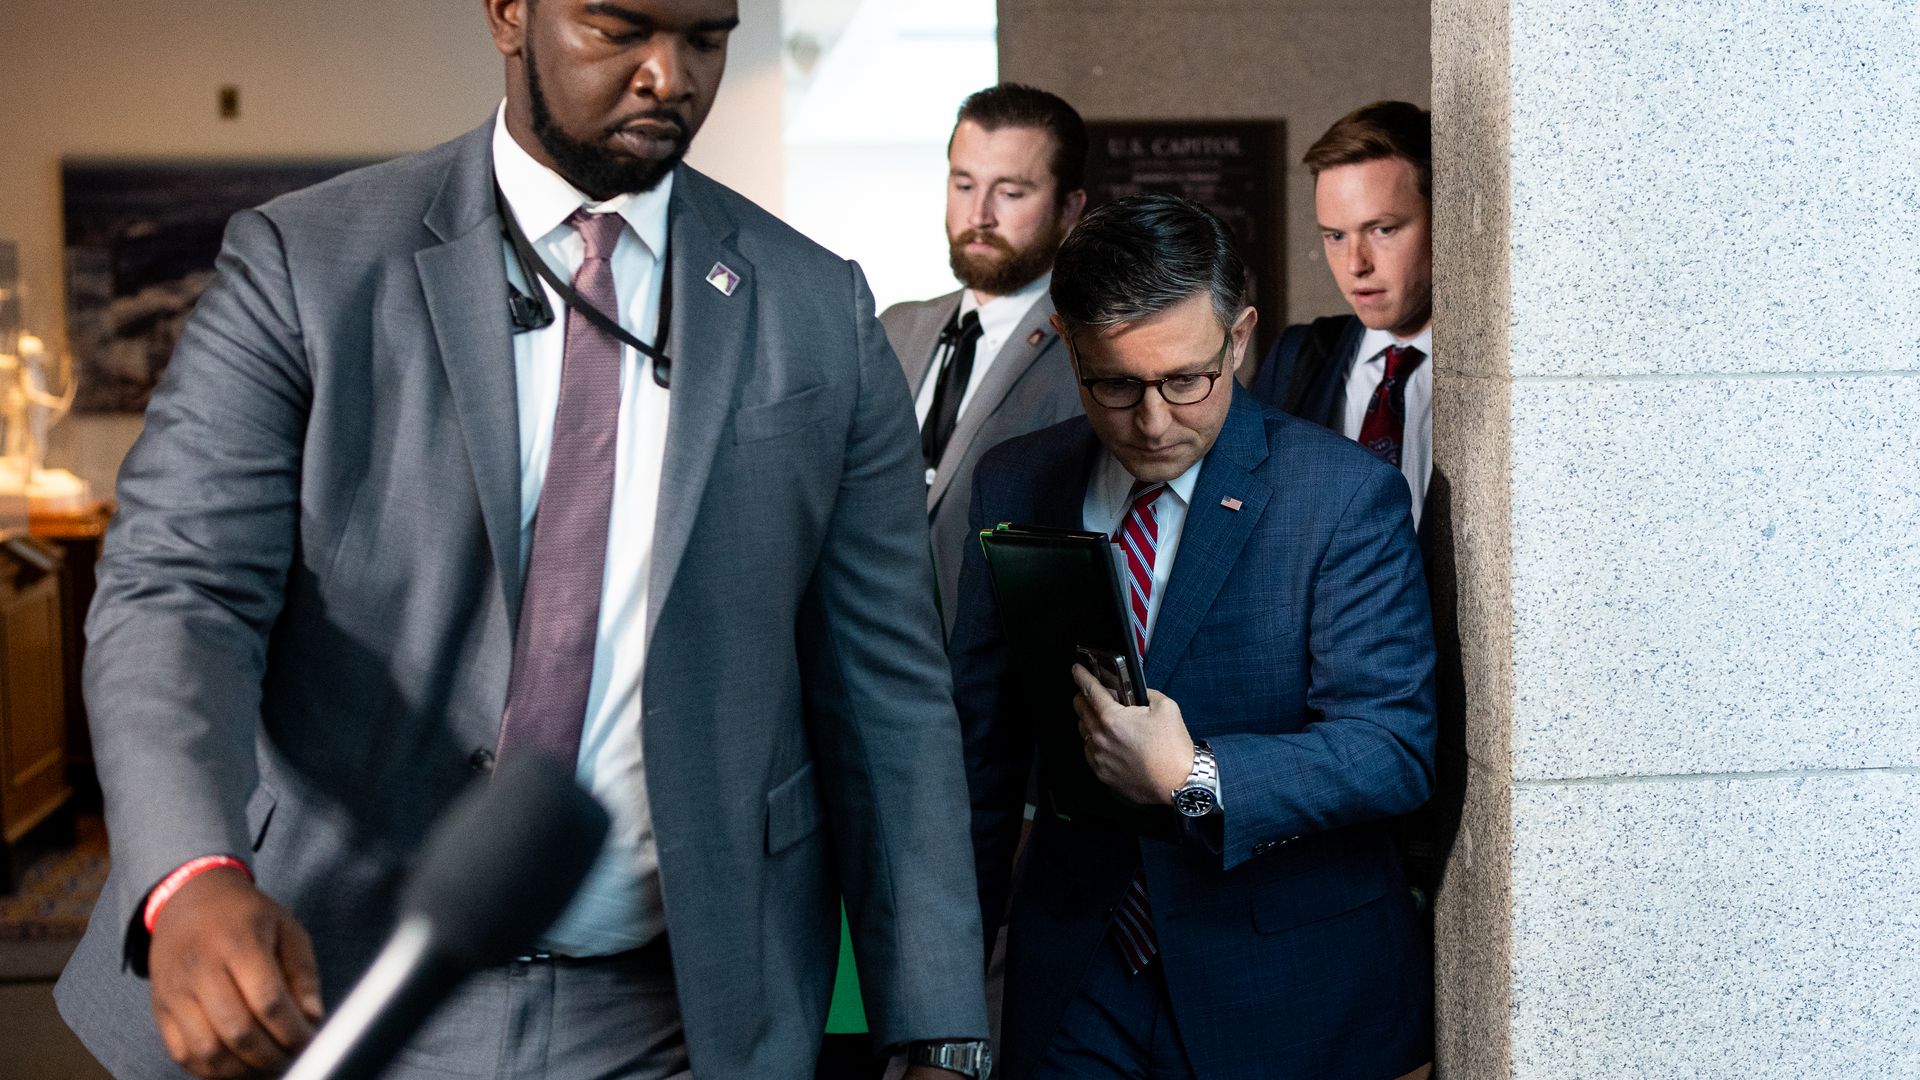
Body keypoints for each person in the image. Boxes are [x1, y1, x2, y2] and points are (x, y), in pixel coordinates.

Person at [54, 2, 990, 1078]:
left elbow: (890, 697)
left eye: (705, 37)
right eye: (618, 27)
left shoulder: (818, 308)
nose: (666, 74)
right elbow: (179, 595)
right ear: (508, 13)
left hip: (676, 1006)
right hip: (329, 975)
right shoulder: (301, 267)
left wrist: (939, 1024)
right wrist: (190, 874)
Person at [951, 193, 1436, 1079]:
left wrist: (1192, 775)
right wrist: (941, 1019)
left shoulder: (1339, 497)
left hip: (1288, 990)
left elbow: (1393, 747)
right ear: (1067, 343)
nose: (1153, 420)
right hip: (1074, 986)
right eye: (1115, 384)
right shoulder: (1016, 484)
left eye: (1185, 380)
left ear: (1240, 336)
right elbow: (977, 762)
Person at [881, 82, 1089, 633]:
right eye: (963, 184)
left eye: (1011, 193)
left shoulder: (1094, 348)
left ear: (1070, 208)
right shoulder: (894, 326)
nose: (979, 214)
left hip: (1001, 683)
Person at [1249, 101, 1433, 529]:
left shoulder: (1495, 374)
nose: (1355, 264)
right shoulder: (1297, 357)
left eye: (1382, 230)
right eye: (1335, 236)